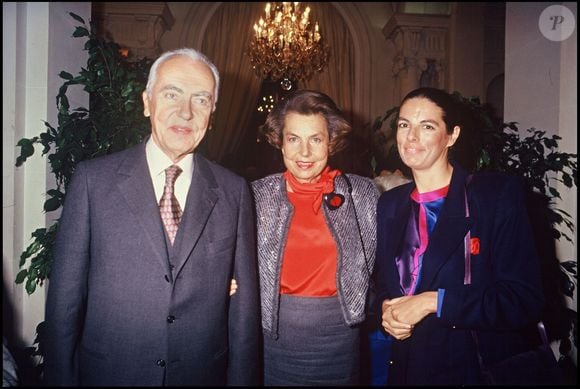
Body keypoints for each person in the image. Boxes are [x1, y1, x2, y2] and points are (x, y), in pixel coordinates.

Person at [43, 48, 261, 386]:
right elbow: (64, 303)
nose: (185, 112)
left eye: (201, 100)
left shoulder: (234, 191)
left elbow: (244, 311)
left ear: (213, 114)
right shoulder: (93, 182)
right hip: (111, 374)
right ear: (147, 102)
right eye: (171, 94)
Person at [374, 87, 545, 385]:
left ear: (452, 136)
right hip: (408, 368)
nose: (411, 137)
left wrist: (434, 302)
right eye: (404, 125)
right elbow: (383, 286)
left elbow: (523, 300)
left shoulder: (493, 196)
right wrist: (386, 312)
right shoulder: (390, 203)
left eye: (426, 126)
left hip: (471, 368)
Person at [251, 89, 380, 385]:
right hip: (275, 336)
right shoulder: (256, 196)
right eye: (294, 139)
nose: (304, 153)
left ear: (331, 143)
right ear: (280, 142)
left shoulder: (362, 194)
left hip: (341, 335)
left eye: (316, 139)